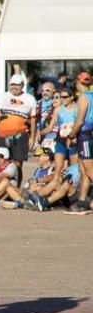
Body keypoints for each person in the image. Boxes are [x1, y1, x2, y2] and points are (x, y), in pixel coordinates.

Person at [0, 74, 37, 185]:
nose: (14, 87)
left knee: (17, 164)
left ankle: (16, 187)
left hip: (20, 136)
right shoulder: (2, 97)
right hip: (2, 135)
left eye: (17, 85)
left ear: (22, 85)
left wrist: (32, 137)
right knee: (1, 163)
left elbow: (33, 120)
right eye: (12, 84)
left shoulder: (30, 99)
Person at [65, 71, 93, 214]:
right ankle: (82, 201)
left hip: (85, 135)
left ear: (78, 82)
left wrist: (71, 135)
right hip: (88, 134)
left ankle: (82, 201)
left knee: (89, 170)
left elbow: (80, 120)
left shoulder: (83, 98)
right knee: (83, 171)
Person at [41, 88, 78, 179]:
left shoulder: (77, 108)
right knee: (58, 166)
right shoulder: (58, 109)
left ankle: (71, 187)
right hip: (61, 139)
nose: (62, 99)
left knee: (73, 167)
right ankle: (56, 184)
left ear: (72, 97)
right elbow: (50, 127)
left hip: (73, 140)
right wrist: (39, 133)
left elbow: (80, 124)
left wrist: (74, 137)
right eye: (61, 97)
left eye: (65, 97)